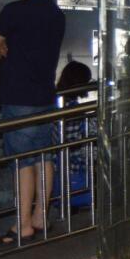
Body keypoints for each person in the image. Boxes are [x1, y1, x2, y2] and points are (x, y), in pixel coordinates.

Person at [0, 0, 65, 246]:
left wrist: (6, 53)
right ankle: (41, 216)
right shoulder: (56, 14)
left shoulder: (14, 11)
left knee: (22, 160)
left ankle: (23, 224)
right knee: (45, 156)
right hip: (45, 93)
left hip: (18, 94)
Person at [51, 60, 95, 210]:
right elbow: (78, 144)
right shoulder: (75, 111)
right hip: (76, 172)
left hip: (57, 172)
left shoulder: (55, 105)